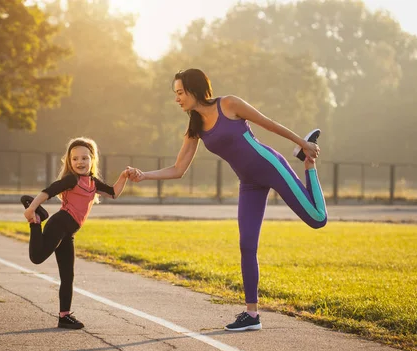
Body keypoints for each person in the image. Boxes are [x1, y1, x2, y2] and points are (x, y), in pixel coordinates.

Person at [126, 68, 327, 331]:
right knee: (246, 245)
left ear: (194, 89)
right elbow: (178, 169)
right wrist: (144, 176)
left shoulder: (228, 104)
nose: (177, 99)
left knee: (317, 220)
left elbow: (269, 124)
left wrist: (303, 143)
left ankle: (309, 165)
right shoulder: (194, 128)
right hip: (249, 184)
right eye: (175, 94)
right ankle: (252, 315)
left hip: (270, 165)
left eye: (179, 93)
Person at [21, 137, 129, 330]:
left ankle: (64, 316)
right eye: (75, 159)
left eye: (84, 158)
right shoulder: (71, 179)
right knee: (36, 258)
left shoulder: (93, 183)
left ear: (92, 160)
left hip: (68, 233)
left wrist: (124, 176)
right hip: (59, 224)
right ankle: (36, 221)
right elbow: (48, 191)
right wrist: (32, 208)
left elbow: (113, 193)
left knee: (68, 275)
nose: (80, 162)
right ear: (69, 162)